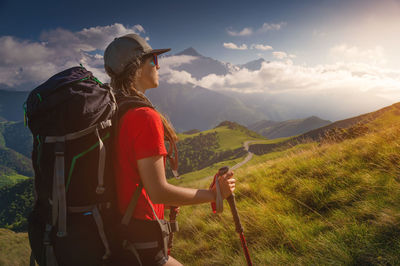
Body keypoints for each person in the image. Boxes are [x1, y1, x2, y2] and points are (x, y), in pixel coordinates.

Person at [103, 33, 236, 266]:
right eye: (153, 60)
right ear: (137, 68)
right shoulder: (144, 117)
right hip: (141, 237)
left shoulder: (112, 110)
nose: (159, 66)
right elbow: (158, 192)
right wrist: (215, 194)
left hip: (114, 230)